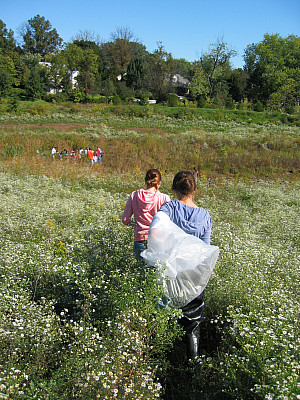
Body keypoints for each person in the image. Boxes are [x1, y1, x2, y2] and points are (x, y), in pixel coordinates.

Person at [159, 171, 212, 360]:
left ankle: (163, 360)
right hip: (194, 275)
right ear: (194, 189)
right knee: (192, 322)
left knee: (165, 315)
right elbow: (205, 249)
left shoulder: (168, 209)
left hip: (171, 273)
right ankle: (192, 364)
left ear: (174, 189)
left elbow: (157, 233)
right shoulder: (204, 215)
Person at [122, 169, 170, 261]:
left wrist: (136, 223)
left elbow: (125, 220)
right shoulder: (164, 198)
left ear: (145, 181)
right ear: (159, 183)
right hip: (158, 242)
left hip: (139, 240)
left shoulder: (134, 195)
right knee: (156, 272)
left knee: (141, 272)